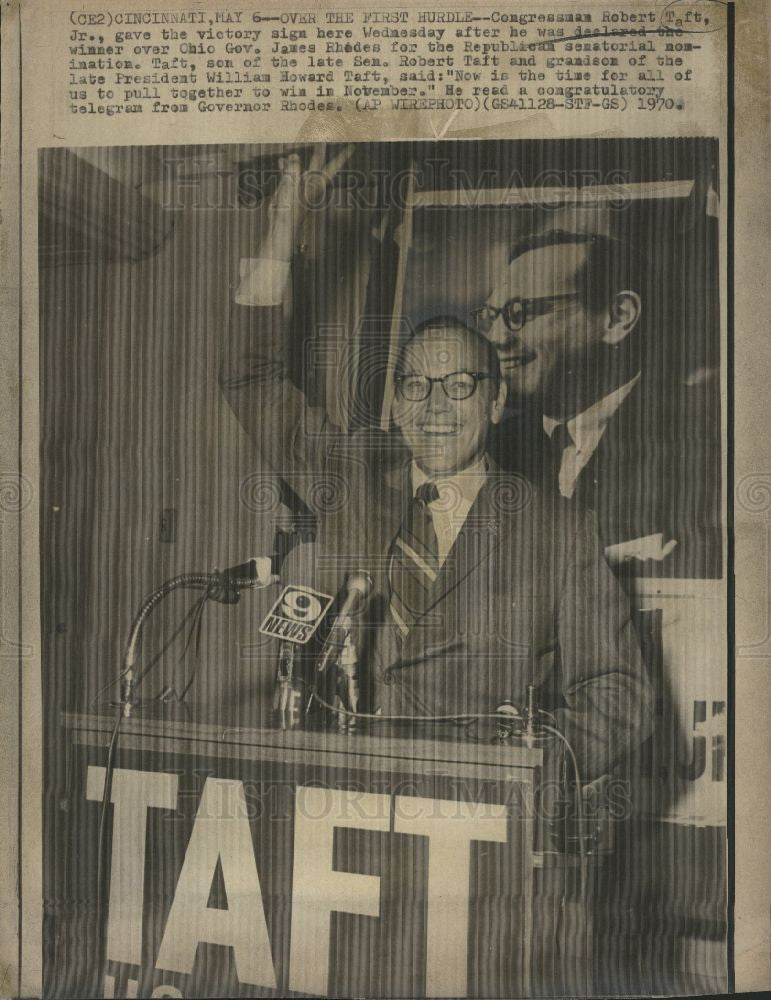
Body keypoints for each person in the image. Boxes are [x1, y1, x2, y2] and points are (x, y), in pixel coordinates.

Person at [220, 149, 654, 780]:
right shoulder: (349, 478)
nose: (436, 408)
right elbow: (248, 375)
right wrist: (288, 213)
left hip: (478, 828)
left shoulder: (557, 532)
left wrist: (526, 767)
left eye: (460, 385)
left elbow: (621, 692)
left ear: (497, 399)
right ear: (394, 403)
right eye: (416, 386)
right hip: (345, 801)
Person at [476, 229, 721, 577]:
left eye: (519, 312)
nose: (496, 339)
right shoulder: (489, 452)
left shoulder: (705, 437)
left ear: (618, 318)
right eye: (490, 316)